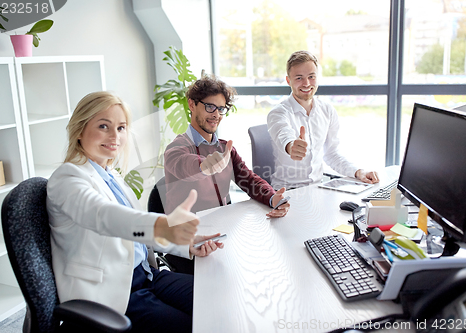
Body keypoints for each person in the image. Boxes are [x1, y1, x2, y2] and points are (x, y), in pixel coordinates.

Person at [46, 91, 223, 333]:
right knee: (193, 326)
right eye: (103, 126)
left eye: (121, 128)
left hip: (147, 276)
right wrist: (163, 226)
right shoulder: (67, 179)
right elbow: (103, 216)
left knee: (219, 298)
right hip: (115, 292)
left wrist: (186, 245)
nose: (114, 136)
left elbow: (135, 237)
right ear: (79, 130)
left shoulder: (111, 175)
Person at [163, 75, 290, 273]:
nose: (216, 114)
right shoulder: (176, 149)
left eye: (221, 109)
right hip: (189, 243)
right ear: (192, 104)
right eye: (209, 107)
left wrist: (273, 198)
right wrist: (204, 165)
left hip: (220, 234)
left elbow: (248, 180)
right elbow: (183, 165)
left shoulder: (224, 148)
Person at [267, 50, 380, 190]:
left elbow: (331, 154)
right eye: (299, 78)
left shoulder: (327, 111)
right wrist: (291, 147)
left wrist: (358, 172)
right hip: (286, 193)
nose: (307, 83)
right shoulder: (278, 113)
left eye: (311, 76)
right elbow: (283, 134)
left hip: (318, 190)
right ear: (288, 81)